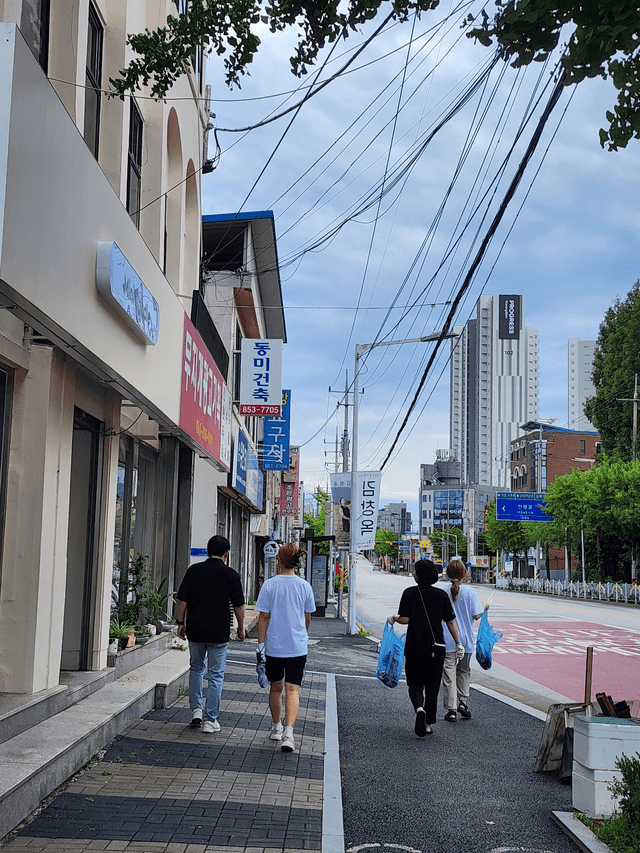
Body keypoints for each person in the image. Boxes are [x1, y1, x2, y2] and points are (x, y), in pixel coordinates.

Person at [175, 535, 245, 734]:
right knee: (215, 675)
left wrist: (180, 622)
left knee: (196, 668)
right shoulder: (231, 574)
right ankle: (210, 719)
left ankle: (196, 711)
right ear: (226, 554)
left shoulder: (194, 571)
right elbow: (239, 605)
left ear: (207, 551)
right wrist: (241, 627)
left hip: (195, 630)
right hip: (219, 633)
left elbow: (182, 601)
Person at [389, 559, 464, 738]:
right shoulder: (441, 596)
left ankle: (419, 709)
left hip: (414, 646)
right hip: (436, 648)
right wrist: (458, 643)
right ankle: (429, 723)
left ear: (418, 575)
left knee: (414, 683)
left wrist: (393, 618)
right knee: (432, 686)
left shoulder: (409, 593)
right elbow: (450, 622)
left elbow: (405, 619)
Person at [255, 543, 315, 753]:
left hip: (274, 647)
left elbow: (263, 617)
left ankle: (276, 727)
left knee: (276, 687)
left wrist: (260, 645)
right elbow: (308, 618)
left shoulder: (270, 585)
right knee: (293, 689)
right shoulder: (304, 586)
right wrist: (303, 633)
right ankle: (289, 733)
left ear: (279, 560)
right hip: (297, 647)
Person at [441, 559, 489, 722]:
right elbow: (476, 615)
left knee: (449, 675)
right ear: (464, 574)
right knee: (464, 672)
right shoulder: (470, 592)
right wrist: (485, 608)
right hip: (466, 641)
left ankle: (451, 710)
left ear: (447, 574)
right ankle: (463, 702)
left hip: (447, 641)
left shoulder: (442, 591)